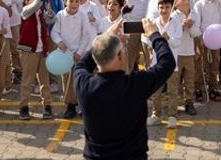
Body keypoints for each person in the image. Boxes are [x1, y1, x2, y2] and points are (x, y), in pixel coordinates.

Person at [73, 18, 176, 160]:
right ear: (120, 55)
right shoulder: (135, 84)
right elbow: (167, 63)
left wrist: (105, 37)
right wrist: (154, 35)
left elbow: (82, 63)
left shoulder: (83, 84)